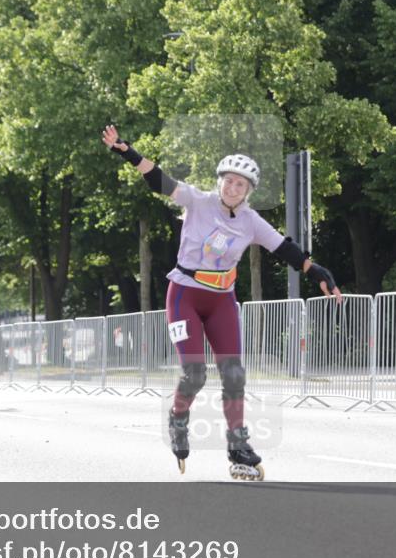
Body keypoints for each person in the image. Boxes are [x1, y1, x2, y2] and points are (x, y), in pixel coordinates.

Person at [102, 125, 342, 480]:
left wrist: (317, 271)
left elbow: (286, 249)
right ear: (220, 182)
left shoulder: (250, 221)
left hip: (221, 301)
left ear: (248, 191)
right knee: (195, 374)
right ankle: (178, 418)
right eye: (228, 181)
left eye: (240, 184)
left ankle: (238, 445)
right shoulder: (198, 201)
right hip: (184, 295)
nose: (232, 188)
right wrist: (129, 153)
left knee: (234, 373)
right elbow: (160, 181)